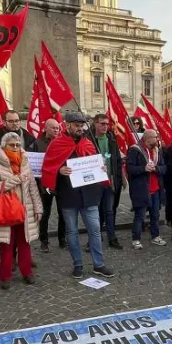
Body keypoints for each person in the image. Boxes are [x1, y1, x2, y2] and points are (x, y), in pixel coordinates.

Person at [41, 112, 115, 279]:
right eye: (76, 125)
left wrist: (101, 168)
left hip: (90, 194)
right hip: (68, 196)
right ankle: (78, 265)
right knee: (72, 232)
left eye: (82, 125)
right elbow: (48, 167)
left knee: (95, 230)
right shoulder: (56, 144)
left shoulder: (89, 143)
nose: (80, 128)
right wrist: (59, 171)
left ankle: (99, 264)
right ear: (67, 125)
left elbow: (96, 162)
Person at [0, 132, 42, 290]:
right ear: (4, 146)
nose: (15, 147)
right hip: (6, 209)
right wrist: (17, 178)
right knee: (6, 244)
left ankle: (27, 272)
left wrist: (38, 208)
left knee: (25, 242)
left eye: (18, 145)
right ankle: (5, 276)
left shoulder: (25, 161)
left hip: (25, 208)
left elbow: (32, 187)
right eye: (12, 145)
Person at [30, 118, 66, 251]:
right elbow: (33, 165)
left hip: (61, 183)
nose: (56, 130)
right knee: (45, 213)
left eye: (57, 128)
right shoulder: (37, 144)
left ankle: (62, 239)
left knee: (63, 212)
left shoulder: (63, 142)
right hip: (45, 185)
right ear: (45, 128)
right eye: (53, 128)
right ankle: (44, 241)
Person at [126, 129, 167, 249]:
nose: (157, 139)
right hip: (141, 189)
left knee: (155, 214)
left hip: (156, 189)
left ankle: (155, 236)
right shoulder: (135, 150)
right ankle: (136, 239)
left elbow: (164, 168)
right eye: (155, 137)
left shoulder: (157, 150)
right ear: (148, 139)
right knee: (140, 215)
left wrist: (156, 169)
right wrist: (144, 168)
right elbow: (130, 169)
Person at [91, 114, 124, 250]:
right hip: (95, 183)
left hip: (109, 182)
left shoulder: (112, 139)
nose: (105, 126)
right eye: (102, 123)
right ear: (95, 124)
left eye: (107, 124)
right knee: (95, 213)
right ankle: (94, 239)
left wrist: (119, 179)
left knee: (109, 211)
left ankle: (112, 238)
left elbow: (117, 160)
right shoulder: (89, 139)